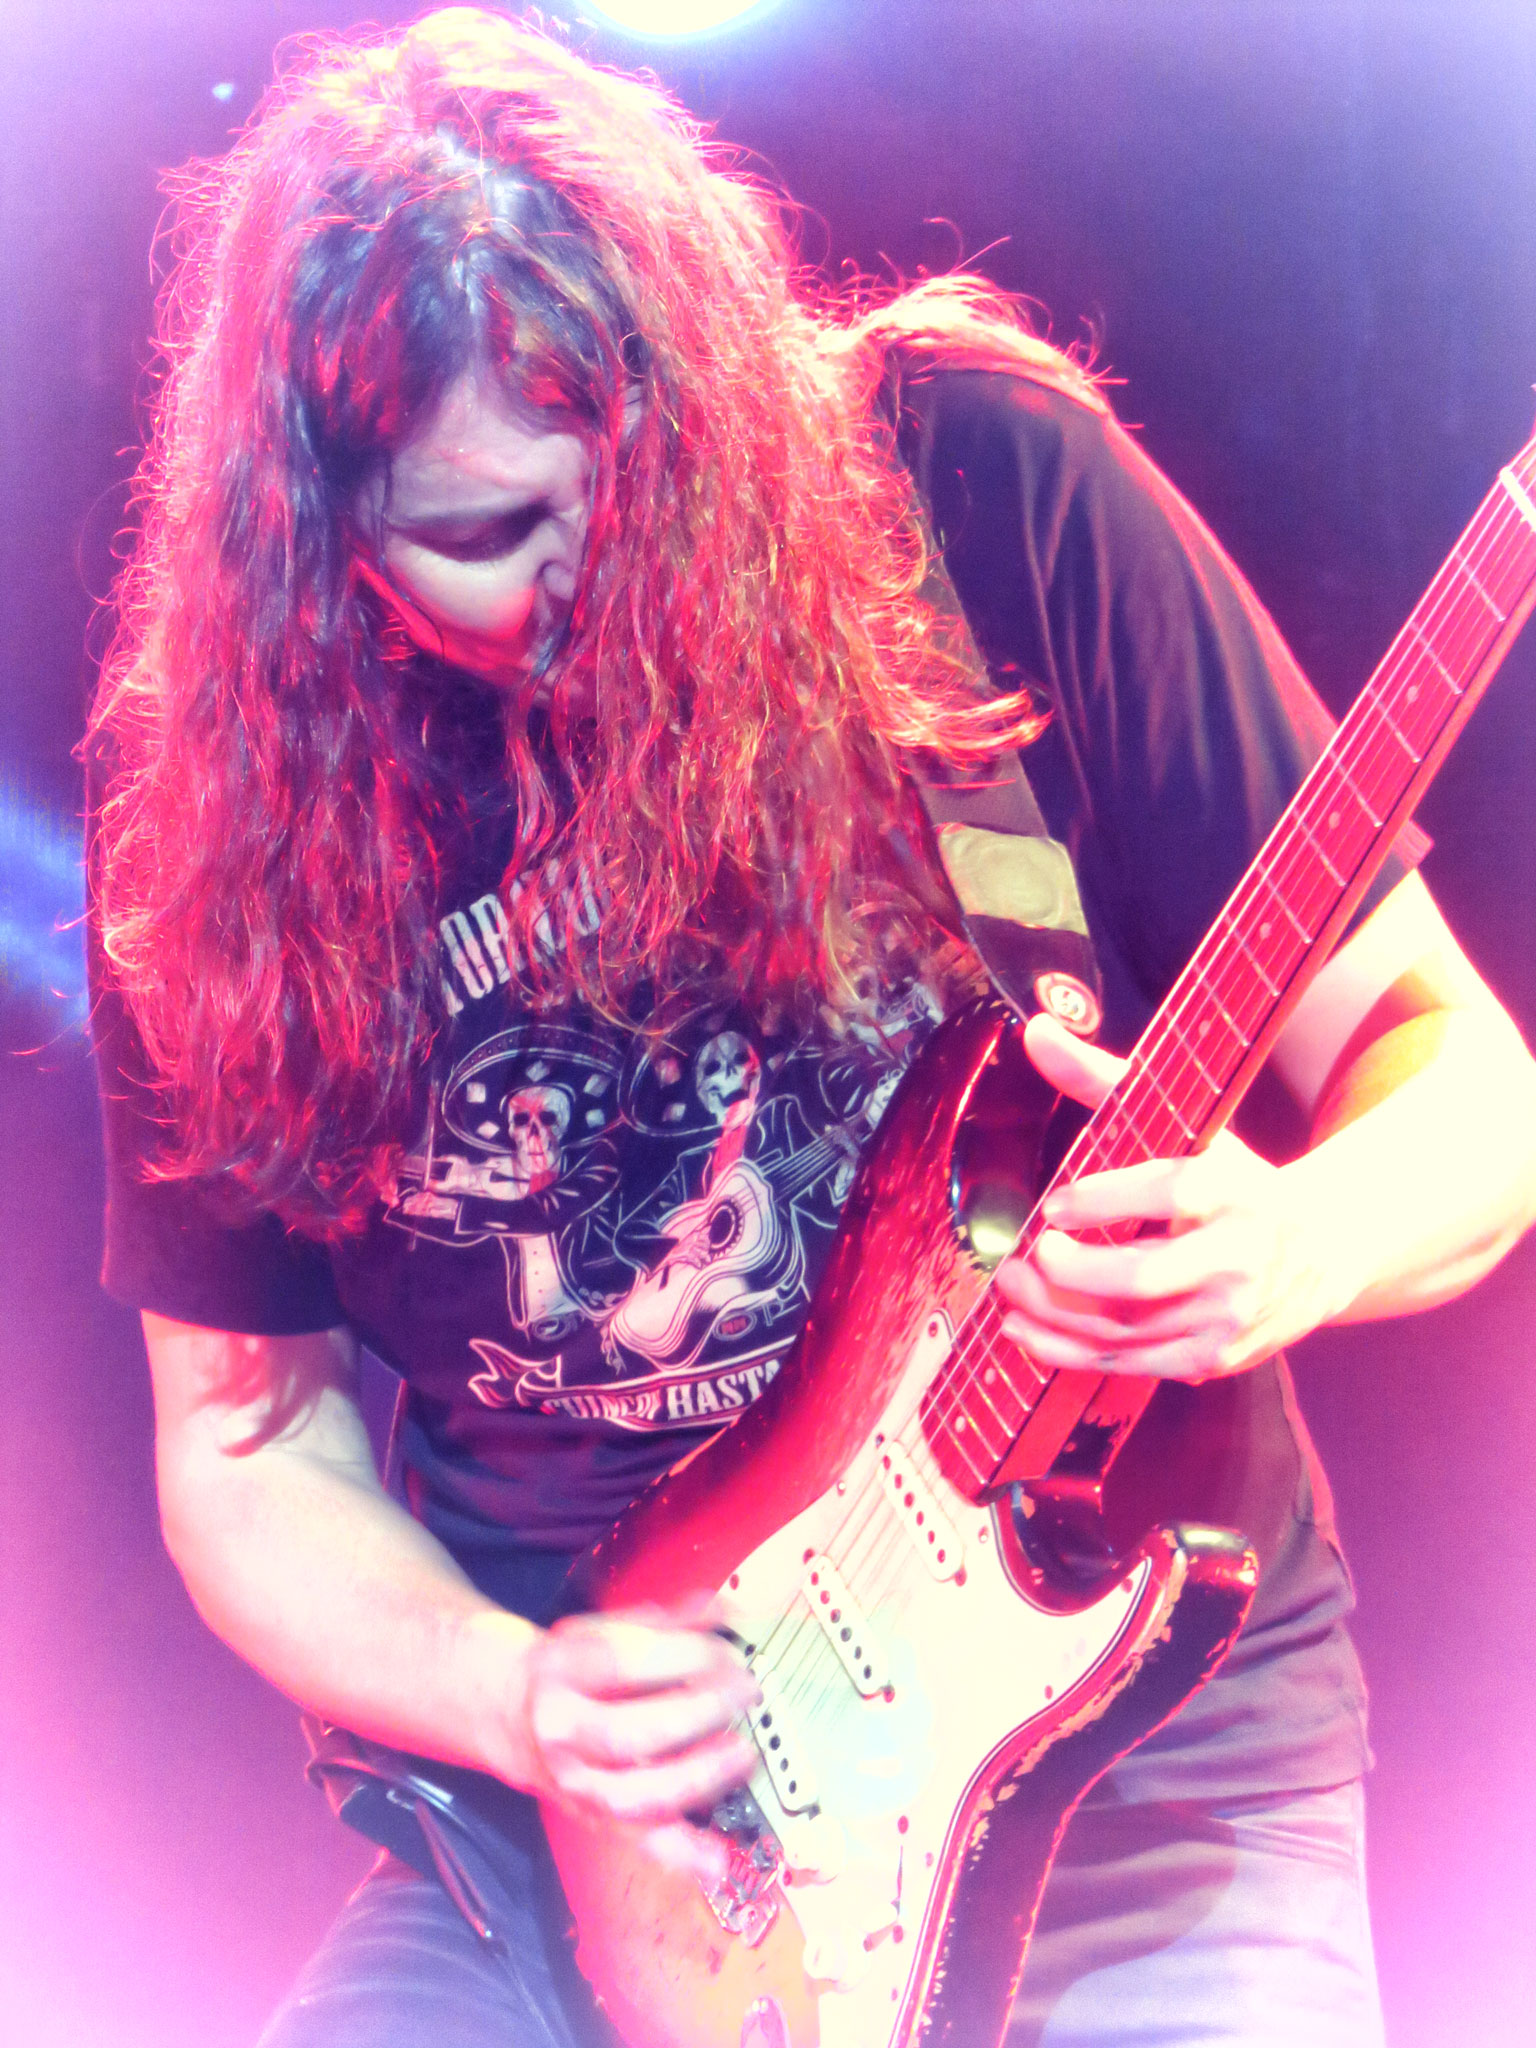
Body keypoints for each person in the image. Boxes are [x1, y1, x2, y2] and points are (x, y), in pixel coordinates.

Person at [86, 11, 1536, 2047]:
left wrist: (1301, 1238)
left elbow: (1462, 1080)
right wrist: (514, 1695)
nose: (594, 578)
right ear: (316, 546)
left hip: (1127, 1793)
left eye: (636, 484)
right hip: (609, 1840)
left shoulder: (972, 492)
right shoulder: (233, 835)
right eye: (490, 536)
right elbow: (247, 1444)